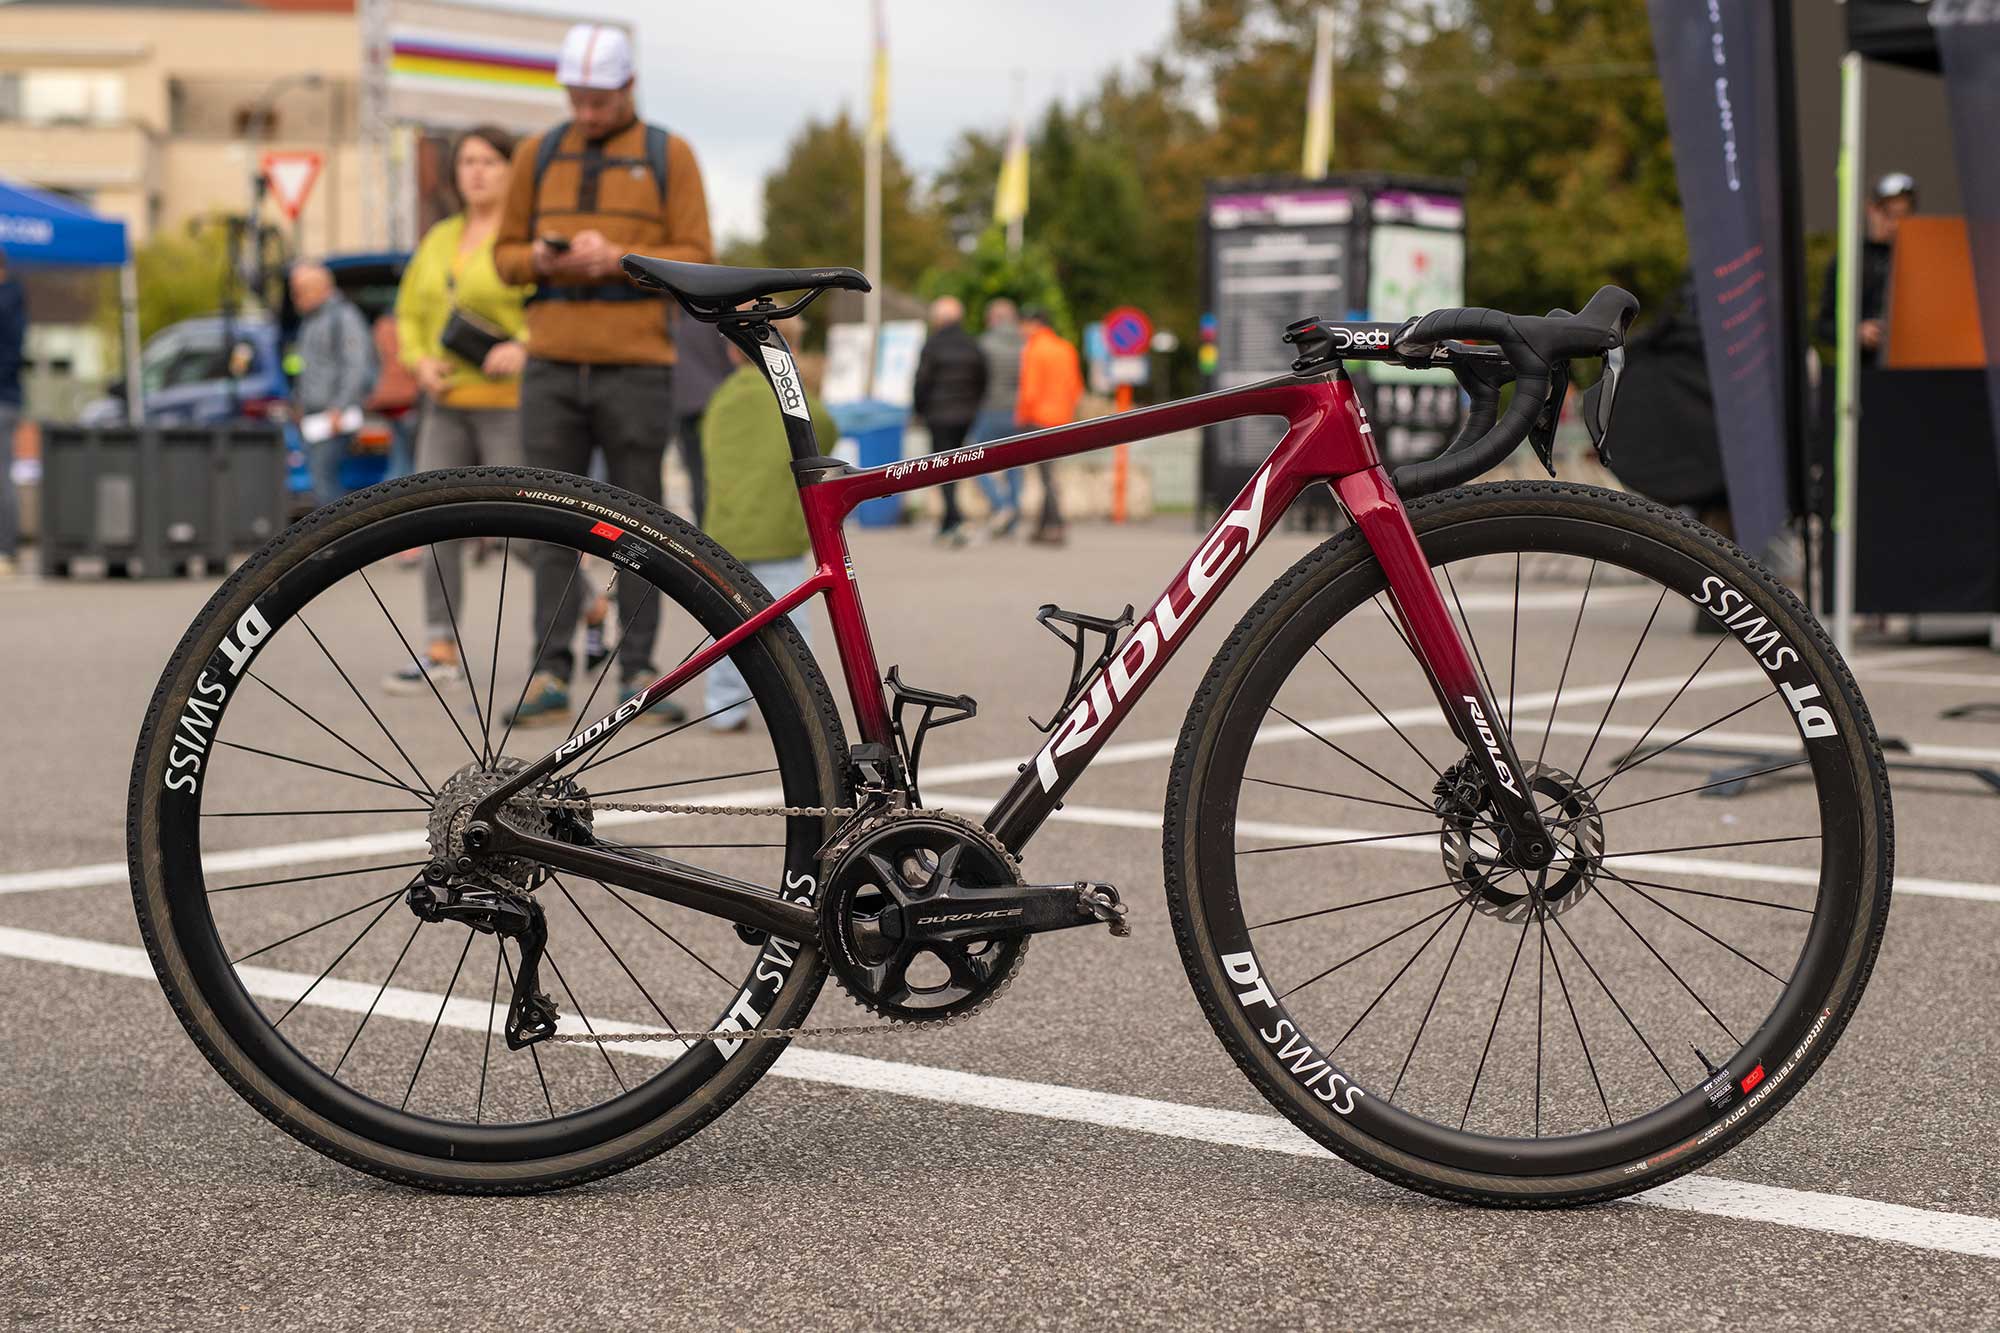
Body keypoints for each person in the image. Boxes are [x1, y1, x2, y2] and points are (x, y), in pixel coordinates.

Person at [493, 22, 714, 726]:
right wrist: (545, 259)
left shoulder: (668, 154)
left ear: (629, 87)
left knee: (639, 523)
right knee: (549, 520)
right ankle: (549, 670)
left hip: (637, 367)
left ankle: (640, 670)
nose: (586, 113)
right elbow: (502, 256)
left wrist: (618, 256)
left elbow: (697, 255)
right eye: (576, 99)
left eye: (599, 100)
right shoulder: (537, 152)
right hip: (551, 363)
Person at [383, 124, 533, 693]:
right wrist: (418, 362)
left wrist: (522, 345)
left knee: (521, 528)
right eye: (467, 161)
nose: (475, 171)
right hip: (445, 404)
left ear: (510, 171)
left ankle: (586, 605)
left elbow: (546, 311)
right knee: (436, 522)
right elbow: (409, 314)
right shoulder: (440, 237)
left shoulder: (523, 238)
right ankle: (440, 644)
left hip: (508, 405)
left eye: (490, 161)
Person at [700, 317, 836, 731]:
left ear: (729, 351)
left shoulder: (721, 398)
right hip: (780, 532)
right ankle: (800, 710)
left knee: (727, 626)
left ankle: (724, 708)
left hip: (725, 531)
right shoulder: (791, 399)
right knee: (790, 629)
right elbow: (826, 432)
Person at [289, 261, 379, 508]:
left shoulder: (343, 317)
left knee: (325, 484)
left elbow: (356, 365)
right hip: (314, 417)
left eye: (301, 290)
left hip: (332, 418)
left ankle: (338, 543)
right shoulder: (310, 320)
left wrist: (340, 407)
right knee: (321, 482)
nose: (295, 297)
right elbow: (308, 368)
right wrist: (299, 403)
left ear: (322, 288)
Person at [1815, 172, 1916, 366]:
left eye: (1903, 216)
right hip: (1864, 373)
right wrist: (1857, 332)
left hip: (1911, 367)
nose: (1895, 224)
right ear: (1871, 209)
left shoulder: (1919, 261)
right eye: (1889, 213)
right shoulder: (1848, 261)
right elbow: (1823, 326)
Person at [910, 294, 988, 545]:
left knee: (941, 467)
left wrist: (919, 410)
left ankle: (952, 518)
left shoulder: (932, 345)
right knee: (956, 465)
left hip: (938, 416)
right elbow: (983, 377)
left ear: (938, 319)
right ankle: (950, 518)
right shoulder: (971, 344)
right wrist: (974, 406)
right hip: (965, 415)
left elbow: (921, 382)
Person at [1015, 306, 1082, 545]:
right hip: (1062, 420)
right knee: (1049, 473)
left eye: (1022, 325)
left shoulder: (1034, 349)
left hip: (1038, 420)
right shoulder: (1065, 348)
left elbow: (1029, 392)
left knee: (1046, 477)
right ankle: (1043, 527)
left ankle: (1055, 525)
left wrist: (1021, 419)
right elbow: (1076, 388)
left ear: (1033, 324)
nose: (1021, 330)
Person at [970, 297, 1026, 536]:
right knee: (1015, 464)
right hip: (1020, 412)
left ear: (993, 319)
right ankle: (1012, 517)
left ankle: (1000, 505)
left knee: (973, 459)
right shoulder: (1027, 343)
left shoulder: (983, 344)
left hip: (991, 409)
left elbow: (975, 381)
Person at [671, 310, 729, 524]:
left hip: (685, 407)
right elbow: (728, 361)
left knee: (696, 476)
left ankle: (704, 531)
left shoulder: (674, 321)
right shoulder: (711, 320)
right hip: (715, 404)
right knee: (717, 475)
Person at [0, 248, 22, 576]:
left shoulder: (10, 299)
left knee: (2, 478)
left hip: (3, 399)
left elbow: (11, 353)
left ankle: (6, 551)